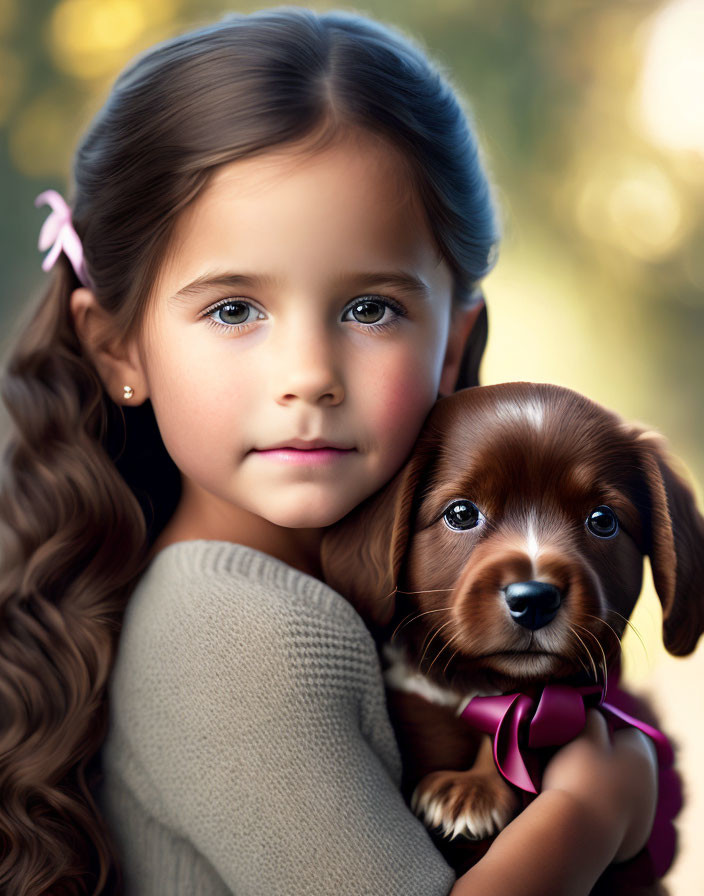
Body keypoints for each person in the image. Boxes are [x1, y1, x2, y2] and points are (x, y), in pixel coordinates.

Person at [0, 7, 658, 895]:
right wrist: (594, 807)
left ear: (453, 345)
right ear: (118, 346)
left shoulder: (379, 598)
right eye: (234, 309)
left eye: (370, 308)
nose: (309, 375)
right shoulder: (238, 625)